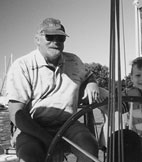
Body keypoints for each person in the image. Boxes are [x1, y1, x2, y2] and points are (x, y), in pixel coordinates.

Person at [5, 18, 107, 162]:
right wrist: (50, 141)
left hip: (68, 124)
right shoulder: (22, 66)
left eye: (60, 37)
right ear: (37, 40)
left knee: (89, 147)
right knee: (29, 155)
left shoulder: (74, 61)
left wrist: (92, 83)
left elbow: (89, 76)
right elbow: (17, 114)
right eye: (49, 37)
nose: (56, 41)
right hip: (33, 126)